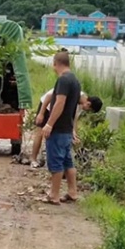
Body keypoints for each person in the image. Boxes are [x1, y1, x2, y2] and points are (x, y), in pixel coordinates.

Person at [40, 50, 82, 204]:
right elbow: (74, 108)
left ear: (56, 63)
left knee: (56, 162)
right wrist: (72, 128)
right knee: (67, 162)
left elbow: (60, 102)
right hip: (66, 129)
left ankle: (54, 195)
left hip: (58, 129)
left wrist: (49, 124)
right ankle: (72, 192)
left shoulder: (63, 80)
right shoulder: (75, 81)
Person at [30, 89, 102, 169]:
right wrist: (41, 113)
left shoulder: (80, 105)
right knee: (40, 133)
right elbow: (49, 96)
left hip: (57, 112)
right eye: (89, 110)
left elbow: (74, 119)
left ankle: (44, 159)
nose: (86, 111)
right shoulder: (73, 93)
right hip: (47, 106)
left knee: (52, 134)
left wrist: (73, 133)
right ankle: (33, 159)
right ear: (88, 104)